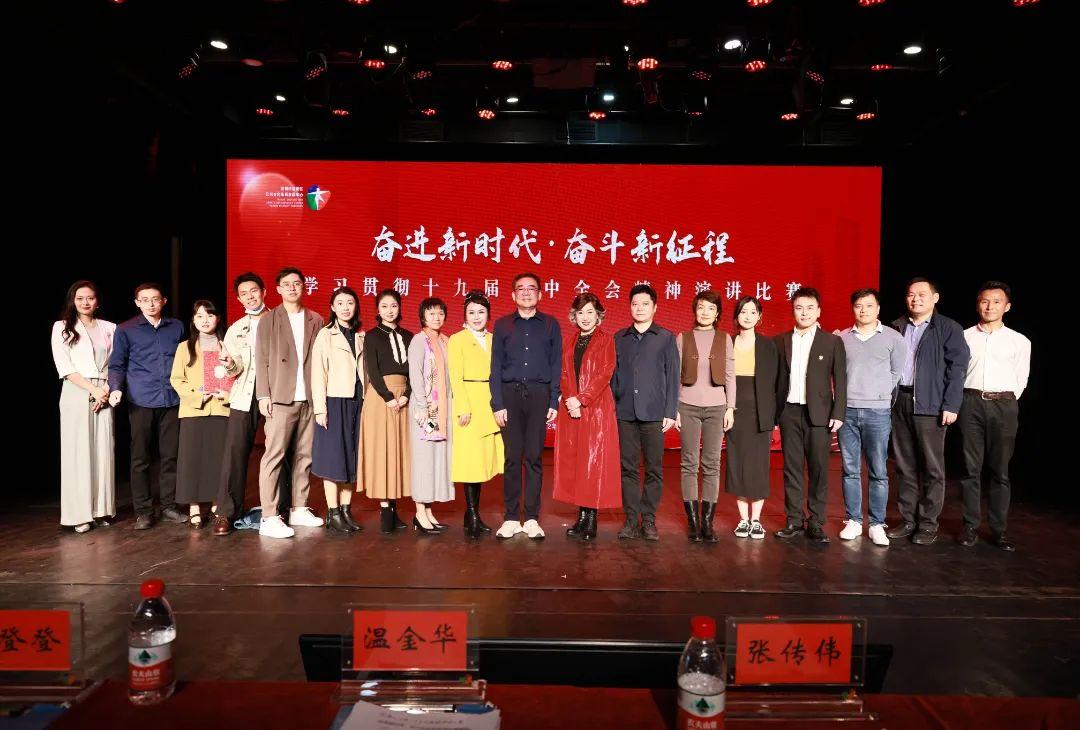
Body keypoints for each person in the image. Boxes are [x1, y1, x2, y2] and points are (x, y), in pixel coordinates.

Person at [886, 278, 970, 546]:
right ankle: (908, 520)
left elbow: (958, 369)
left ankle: (928, 524)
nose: (916, 299)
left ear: (935, 298)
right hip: (900, 401)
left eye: (922, 294)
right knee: (904, 466)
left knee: (932, 468)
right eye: (911, 294)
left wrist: (951, 404)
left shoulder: (948, 328)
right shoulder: (895, 327)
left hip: (931, 404)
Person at [957, 281, 1030, 552]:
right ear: (978, 304)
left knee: (1000, 470)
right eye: (985, 301)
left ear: (1007, 306)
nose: (990, 306)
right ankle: (970, 527)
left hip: (1004, 404)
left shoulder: (1020, 341)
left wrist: (1005, 400)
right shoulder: (964, 336)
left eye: (996, 302)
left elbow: (1021, 378)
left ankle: (999, 530)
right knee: (970, 469)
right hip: (970, 402)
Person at [108, 282, 187, 530]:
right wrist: (116, 388)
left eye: (155, 299)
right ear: (137, 303)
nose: (151, 304)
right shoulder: (126, 329)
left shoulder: (176, 326)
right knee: (140, 457)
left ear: (164, 301)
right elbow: (117, 364)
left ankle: (169, 506)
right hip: (141, 399)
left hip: (172, 398)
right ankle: (143, 511)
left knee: (170, 455)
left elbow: (186, 359)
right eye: (145, 300)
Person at [490, 272, 562, 540]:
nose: (526, 292)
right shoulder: (502, 325)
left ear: (540, 294)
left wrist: (553, 399)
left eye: (532, 288)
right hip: (509, 395)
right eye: (521, 288)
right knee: (512, 458)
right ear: (513, 295)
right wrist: (497, 403)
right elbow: (495, 366)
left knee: (533, 457)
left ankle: (531, 518)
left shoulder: (551, 325)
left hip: (539, 395)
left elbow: (556, 364)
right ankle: (511, 517)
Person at [254, 267, 326, 539]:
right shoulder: (268, 320)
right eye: (287, 284)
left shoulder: (316, 319)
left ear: (304, 286)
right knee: (274, 456)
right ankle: (269, 516)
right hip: (281, 397)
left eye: (297, 283)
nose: (292, 288)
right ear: (278, 289)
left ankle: (299, 507)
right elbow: (261, 359)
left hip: (309, 397)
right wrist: (264, 395)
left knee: (305, 456)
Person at [774, 287, 847, 545]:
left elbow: (840, 379)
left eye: (809, 308)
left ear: (818, 311)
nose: (804, 313)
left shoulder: (832, 342)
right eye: (799, 308)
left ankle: (816, 521)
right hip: (789, 412)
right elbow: (775, 380)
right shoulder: (781, 341)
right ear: (793, 311)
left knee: (818, 469)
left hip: (820, 414)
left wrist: (838, 412)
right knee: (791, 468)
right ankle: (794, 519)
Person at [837, 288, 906, 547]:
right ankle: (854, 520)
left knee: (878, 470)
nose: (863, 310)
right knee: (850, 469)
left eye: (868, 305)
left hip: (878, 411)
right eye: (858, 306)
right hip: (847, 410)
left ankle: (877, 524)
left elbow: (896, 372)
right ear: (853, 309)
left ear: (878, 308)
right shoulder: (842, 338)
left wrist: (879, 393)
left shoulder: (893, 337)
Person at [612, 284, 680, 542]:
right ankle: (631, 520)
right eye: (634, 304)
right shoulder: (620, 338)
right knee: (627, 468)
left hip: (654, 413)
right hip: (625, 412)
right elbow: (613, 376)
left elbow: (673, 377)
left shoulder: (665, 337)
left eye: (644, 304)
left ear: (655, 307)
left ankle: (648, 519)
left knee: (654, 469)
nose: (639, 308)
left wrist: (670, 411)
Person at [552, 293, 621, 541]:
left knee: (593, 463)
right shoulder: (570, 341)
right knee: (577, 463)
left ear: (598, 315)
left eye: (590, 312)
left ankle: (591, 518)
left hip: (596, 408)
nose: (585, 317)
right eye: (580, 312)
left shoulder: (606, 340)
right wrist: (570, 400)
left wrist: (582, 399)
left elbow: (605, 373)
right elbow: (562, 372)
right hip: (571, 408)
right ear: (574, 316)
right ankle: (581, 516)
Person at [51, 280, 116, 533]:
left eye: (90, 298)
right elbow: (65, 367)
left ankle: (100, 510)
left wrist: (105, 390)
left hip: (104, 392)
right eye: (80, 298)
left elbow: (115, 364)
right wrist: (93, 390)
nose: (85, 302)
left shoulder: (110, 327)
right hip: (77, 390)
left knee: (102, 451)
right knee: (78, 453)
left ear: (97, 301)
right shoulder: (62, 327)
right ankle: (79, 514)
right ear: (73, 301)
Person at [675, 290, 736, 543]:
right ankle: (693, 522)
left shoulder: (725, 338)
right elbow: (675, 375)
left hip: (716, 407)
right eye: (701, 307)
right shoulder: (683, 338)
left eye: (711, 308)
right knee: (689, 463)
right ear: (695, 310)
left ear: (717, 313)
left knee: (712, 464)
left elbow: (730, 375)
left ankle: (707, 523)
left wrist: (730, 408)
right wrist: (674, 409)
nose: (705, 312)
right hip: (687, 406)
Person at [171, 300, 231, 529]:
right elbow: (176, 379)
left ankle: (216, 503)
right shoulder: (184, 347)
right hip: (193, 410)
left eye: (210, 315)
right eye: (199, 316)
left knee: (218, 459)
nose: (205, 320)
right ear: (193, 320)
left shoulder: (228, 345)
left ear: (218, 318)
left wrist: (226, 394)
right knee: (192, 460)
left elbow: (238, 375)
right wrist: (198, 396)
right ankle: (194, 507)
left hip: (222, 408)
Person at [447, 290, 503, 538]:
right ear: (464, 315)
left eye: (481, 312)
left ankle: (473, 514)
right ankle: (471, 514)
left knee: (482, 464)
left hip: (489, 403)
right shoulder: (457, 339)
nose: (476, 316)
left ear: (488, 314)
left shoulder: (494, 339)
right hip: (469, 404)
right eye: (471, 312)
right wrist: (463, 407)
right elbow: (455, 377)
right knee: (470, 464)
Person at [724, 297, 779, 540]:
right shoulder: (728, 342)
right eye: (743, 311)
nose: (747, 316)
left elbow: (776, 382)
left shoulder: (769, 346)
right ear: (736, 316)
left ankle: (756, 520)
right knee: (737, 462)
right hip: (734, 410)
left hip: (761, 411)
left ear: (759, 316)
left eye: (752, 312)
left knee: (758, 465)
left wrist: (773, 415)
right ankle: (743, 520)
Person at [311, 287, 365, 534]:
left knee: (350, 458)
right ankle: (332, 513)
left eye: (350, 302)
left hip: (357, 402)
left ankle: (345, 511)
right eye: (340, 303)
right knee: (333, 459)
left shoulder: (360, 335)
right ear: (332, 307)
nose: (345, 307)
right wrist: (320, 409)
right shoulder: (326, 335)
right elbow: (318, 373)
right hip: (334, 402)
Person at [361, 289, 413, 533]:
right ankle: (385, 512)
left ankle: (394, 510)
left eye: (393, 306)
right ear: (378, 310)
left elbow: (415, 371)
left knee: (399, 452)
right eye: (384, 306)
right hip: (381, 398)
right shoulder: (372, 336)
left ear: (399, 308)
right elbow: (372, 370)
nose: (389, 310)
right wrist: (388, 397)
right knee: (383, 452)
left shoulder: (410, 336)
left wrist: (407, 395)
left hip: (404, 398)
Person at [408, 298, 454, 535]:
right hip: (425, 410)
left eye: (440, 313)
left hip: (442, 410)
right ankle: (419, 512)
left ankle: (428, 511)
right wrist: (422, 407)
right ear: (423, 317)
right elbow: (415, 375)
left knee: (435, 460)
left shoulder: (446, 341)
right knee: (423, 460)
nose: (436, 317)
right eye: (431, 313)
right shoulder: (419, 341)